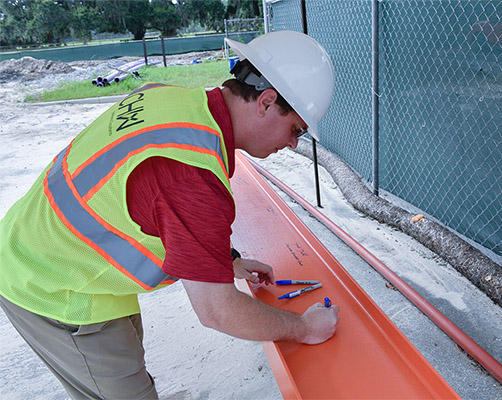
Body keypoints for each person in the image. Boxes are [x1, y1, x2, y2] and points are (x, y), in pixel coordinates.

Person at [0, 30, 339, 399]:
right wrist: (304, 328)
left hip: (57, 247)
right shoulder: (191, 173)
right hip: (53, 283)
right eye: (296, 130)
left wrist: (224, 261)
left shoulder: (171, 98)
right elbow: (218, 311)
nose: (292, 144)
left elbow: (150, 200)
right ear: (267, 101)